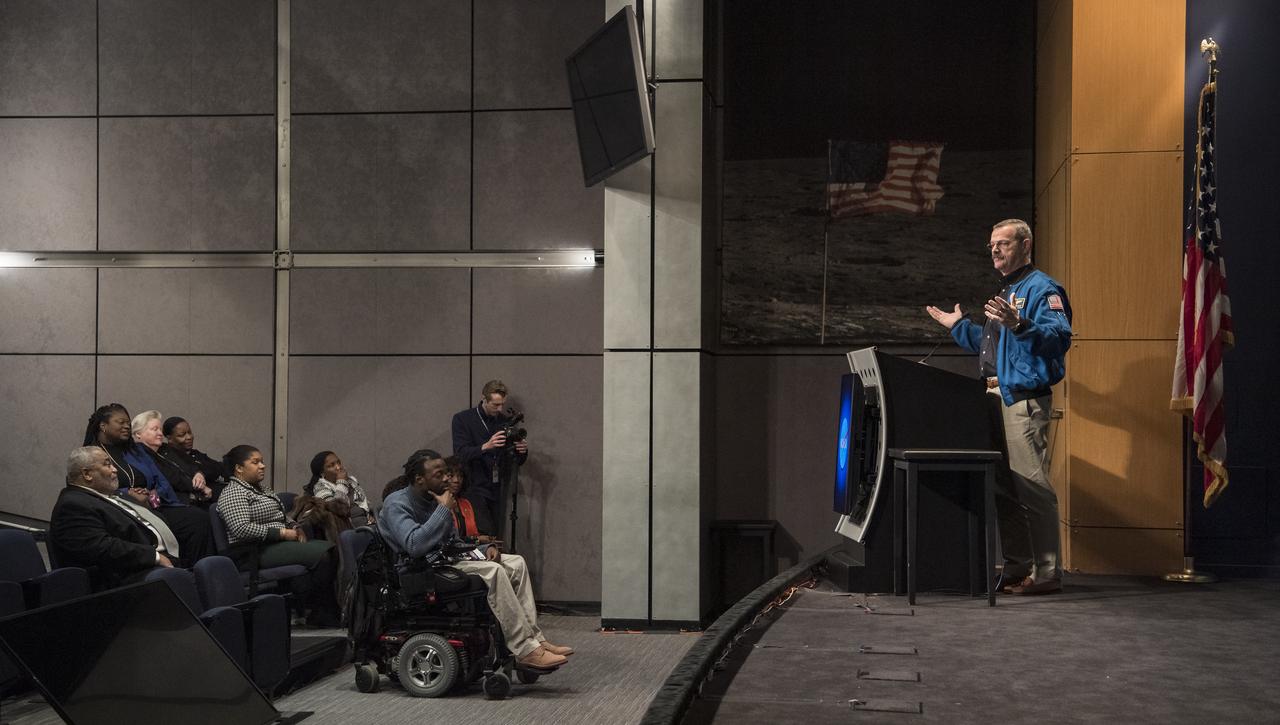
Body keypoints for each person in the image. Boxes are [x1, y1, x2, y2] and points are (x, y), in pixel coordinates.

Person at [926, 218, 1072, 596]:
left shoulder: (1043, 289)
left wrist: (1021, 323)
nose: (995, 250)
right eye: (992, 244)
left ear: (1026, 245)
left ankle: (1048, 573)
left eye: (1003, 243)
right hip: (993, 397)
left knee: (1031, 485)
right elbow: (994, 349)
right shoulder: (1007, 290)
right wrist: (959, 326)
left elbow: (1058, 339)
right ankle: (1019, 567)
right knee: (1004, 489)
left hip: (1022, 400)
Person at [378, 450, 571, 671]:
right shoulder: (397, 504)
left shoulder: (436, 498)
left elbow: (454, 542)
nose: (447, 479)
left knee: (516, 563)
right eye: (439, 474)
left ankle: (536, 640)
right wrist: (443, 510)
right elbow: (414, 546)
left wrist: (483, 547)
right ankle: (526, 649)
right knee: (493, 571)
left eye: (447, 474)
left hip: (444, 561)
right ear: (419, 479)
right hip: (417, 571)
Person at [217, 445, 340, 625]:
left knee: (330, 549)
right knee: (324, 553)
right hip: (254, 550)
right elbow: (241, 529)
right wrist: (281, 533)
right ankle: (318, 612)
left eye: (262, 461)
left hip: (274, 544)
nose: (262, 466)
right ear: (239, 468)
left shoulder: (261, 489)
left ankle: (315, 607)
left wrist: (294, 526)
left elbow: (281, 516)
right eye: (255, 462)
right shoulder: (234, 492)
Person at [83, 404, 214, 564]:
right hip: (122, 511)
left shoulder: (136, 450)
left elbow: (161, 480)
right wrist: (128, 495)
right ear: (103, 426)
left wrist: (154, 495)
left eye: (128, 422)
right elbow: (94, 491)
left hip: (155, 505)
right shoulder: (93, 455)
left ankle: (198, 573)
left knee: (197, 518)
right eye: (121, 422)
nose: (126, 426)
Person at [49, 447, 179, 589]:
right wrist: (155, 557)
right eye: (107, 464)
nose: (115, 469)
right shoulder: (72, 505)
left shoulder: (113, 496)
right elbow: (102, 548)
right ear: (87, 474)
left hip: (159, 561)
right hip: (126, 577)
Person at [451, 379, 529, 534]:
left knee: (495, 534)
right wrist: (486, 446)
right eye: (495, 404)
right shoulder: (463, 419)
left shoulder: (504, 421)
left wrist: (522, 450)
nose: (500, 409)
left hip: (497, 487)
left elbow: (516, 460)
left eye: (502, 404)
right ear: (484, 399)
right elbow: (459, 454)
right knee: (481, 533)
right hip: (473, 485)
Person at [134, 411, 214, 506]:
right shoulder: (140, 454)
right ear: (138, 434)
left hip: (194, 492)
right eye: (155, 429)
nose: (160, 433)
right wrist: (198, 487)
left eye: (160, 429)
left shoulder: (165, 447)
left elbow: (190, 462)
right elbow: (171, 477)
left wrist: (198, 473)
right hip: (175, 500)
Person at [163, 416, 228, 501]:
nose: (189, 437)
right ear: (169, 438)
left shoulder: (195, 454)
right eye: (182, 435)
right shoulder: (169, 458)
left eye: (189, 432)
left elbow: (218, 468)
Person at [305, 451, 373, 527]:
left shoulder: (351, 480)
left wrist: (368, 515)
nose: (338, 467)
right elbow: (336, 509)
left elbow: (362, 502)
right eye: (331, 465)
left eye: (339, 462)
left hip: (365, 523)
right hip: (345, 528)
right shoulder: (320, 487)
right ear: (322, 473)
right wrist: (341, 482)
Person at [443, 456, 496, 541]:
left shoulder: (466, 503)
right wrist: (475, 539)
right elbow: (447, 540)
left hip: (470, 550)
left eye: (460, 476)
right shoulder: (436, 504)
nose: (457, 480)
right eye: (451, 476)